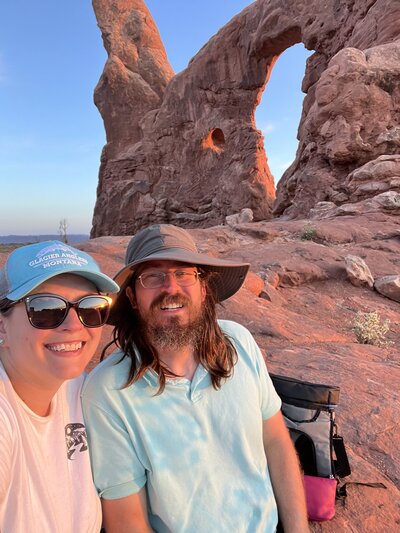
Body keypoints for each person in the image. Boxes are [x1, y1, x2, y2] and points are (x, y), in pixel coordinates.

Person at [82, 224, 309, 533]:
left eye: (184, 274)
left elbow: (276, 441)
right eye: (153, 276)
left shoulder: (239, 343)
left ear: (203, 288)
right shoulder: (108, 390)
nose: (170, 288)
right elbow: (127, 519)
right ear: (133, 297)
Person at [0, 240, 119, 533]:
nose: (74, 325)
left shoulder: (79, 390)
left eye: (90, 308)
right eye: (45, 308)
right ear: (2, 325)